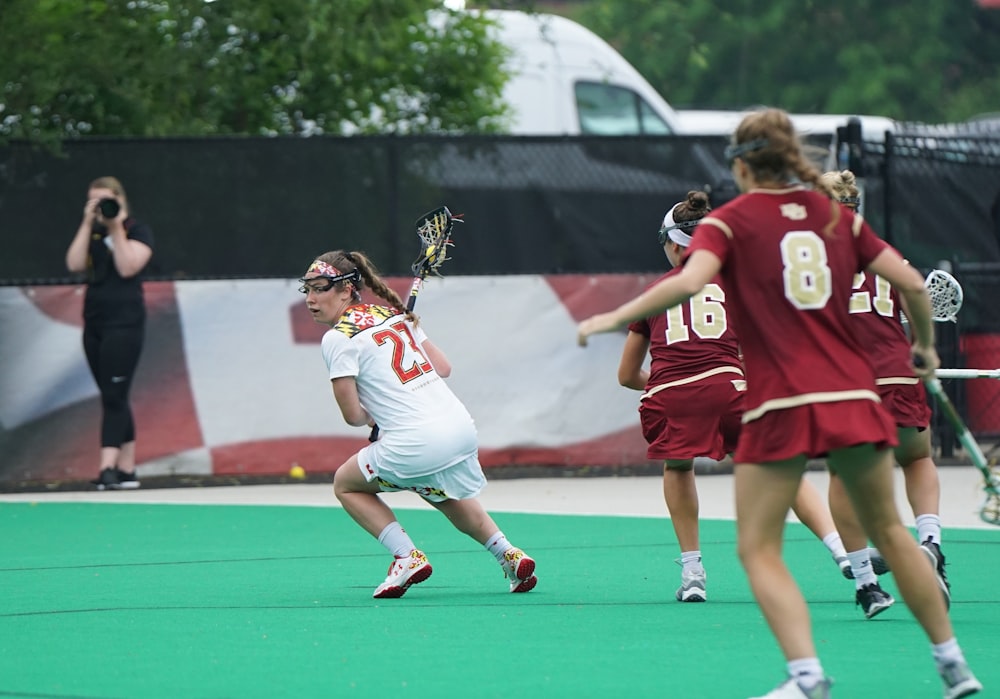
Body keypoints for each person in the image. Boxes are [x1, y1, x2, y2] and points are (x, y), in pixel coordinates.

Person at [577, 109, 981, 699]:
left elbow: (690, 284)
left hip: (783, 400)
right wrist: (922, 346)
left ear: (741, 164)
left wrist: (613, 316)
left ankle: (808, 676)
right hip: (854, 395)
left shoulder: (733, 221)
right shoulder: (830, 215)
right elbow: (915, 286)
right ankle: (954, 668)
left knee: (758, 547)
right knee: (893, 533)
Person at [618, 190, 856, 604]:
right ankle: (841, 550)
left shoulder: (653, 293)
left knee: (678, 468)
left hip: (671, 396)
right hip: (730, 388)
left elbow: (625, 377)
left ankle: (693, 571)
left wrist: (663, 381)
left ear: (675, 244)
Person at [301, 250, 537, 598]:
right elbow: (442, 368)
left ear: (347, 289)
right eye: (306, 290)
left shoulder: (337, 338)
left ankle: (406, 556)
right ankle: (509, 555)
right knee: (438, 491)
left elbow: (352, 416)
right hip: (460, 429)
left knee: (345, 484)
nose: (310, 299)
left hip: (417, 442)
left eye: (319, 289)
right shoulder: (395, 314)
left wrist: (373, 417)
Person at [820, 169, 951, 608]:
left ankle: (865, 583)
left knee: (841, 474)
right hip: (898, 373)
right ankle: (931, 541)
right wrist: (923, 348)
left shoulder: (808, 257)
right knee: (916, 458)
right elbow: (916, 297)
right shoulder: (885, 251)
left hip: (845, 383)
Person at [65, 176, 154, 491]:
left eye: (105, 200)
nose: (101, 206)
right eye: (94, 201)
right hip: (95, 320)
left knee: (115, 393)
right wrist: (88, 222)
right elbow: (74, 263)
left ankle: (108, 468)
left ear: (120, 198)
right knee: (111, 393)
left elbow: (129, 267)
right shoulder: (92, 232)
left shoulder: (136, 231)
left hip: (125, 322)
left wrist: (116, 227)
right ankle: (127, 469)